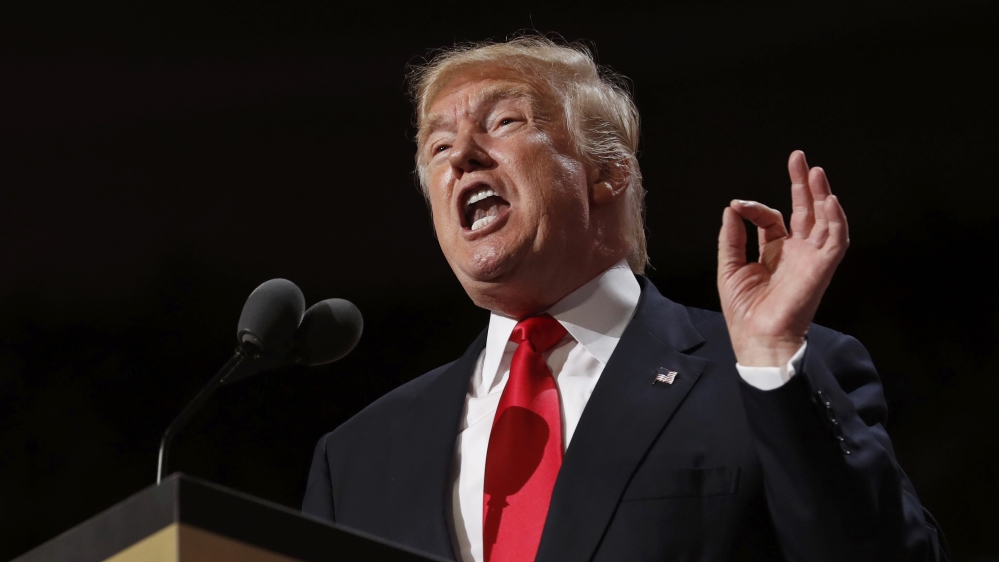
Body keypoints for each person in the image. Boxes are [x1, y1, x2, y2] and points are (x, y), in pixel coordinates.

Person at [302, 36, 947, 561]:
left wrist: (774, 359)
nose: (462, 157)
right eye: (437, 146)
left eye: (503, 121)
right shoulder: (357, 457)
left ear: (606, 172)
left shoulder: (770, 378)